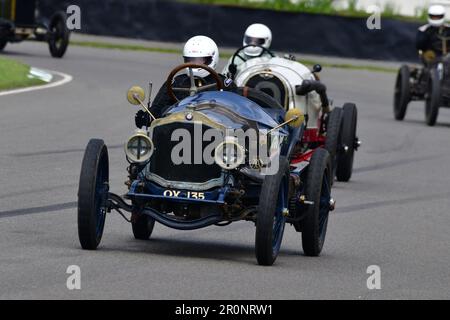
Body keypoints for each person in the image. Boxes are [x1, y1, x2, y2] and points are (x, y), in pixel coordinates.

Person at [135, 35, 235, 128]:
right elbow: (157, 109)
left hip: (214, 132)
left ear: (212, 59)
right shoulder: (176, 82)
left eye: (200, 60)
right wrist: (147, 117)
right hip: (176, 133)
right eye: (190, 60)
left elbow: (240, 109)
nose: (194, 64)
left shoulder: (224, 83)